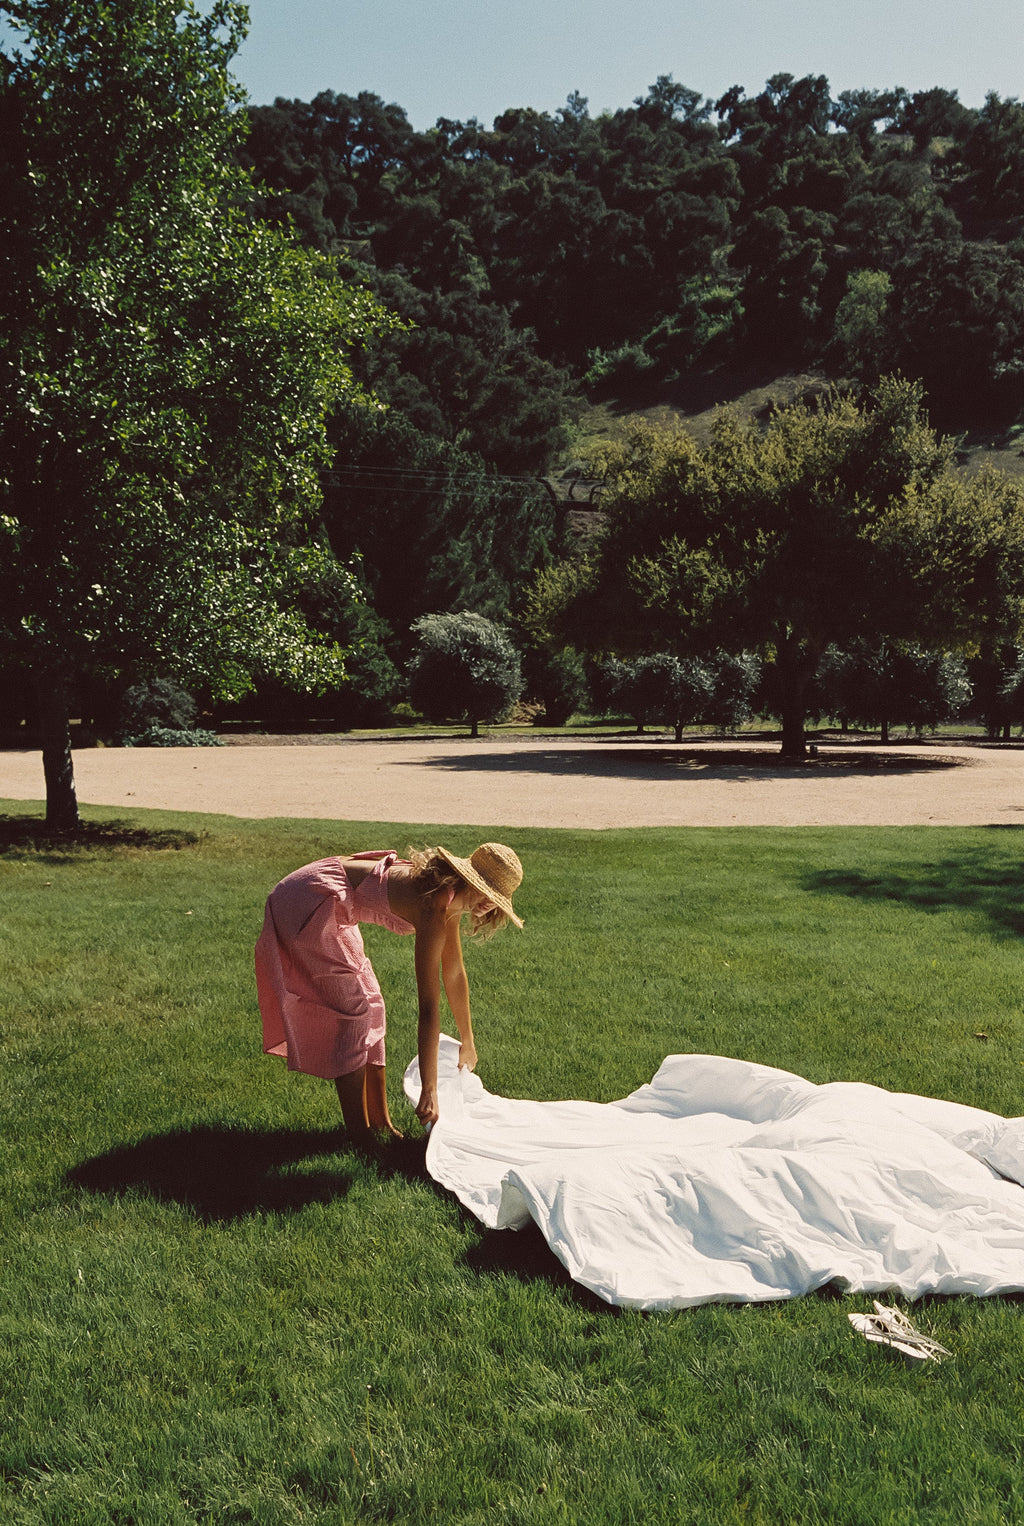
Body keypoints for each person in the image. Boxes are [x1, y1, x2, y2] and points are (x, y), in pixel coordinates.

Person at [255, 842, 523, 1143]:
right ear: (469, 878)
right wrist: (429, 1088)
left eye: (497, 896)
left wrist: (469, 1040)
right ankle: (359, 1136)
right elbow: (428, 1007)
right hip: (308, 899)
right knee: (354, 1013)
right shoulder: (433, 906)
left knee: (373, 1004)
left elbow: (455, 973)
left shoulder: (451, 901)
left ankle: (381, 1124)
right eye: (486, 890)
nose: (490, 902)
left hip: (332, 901)